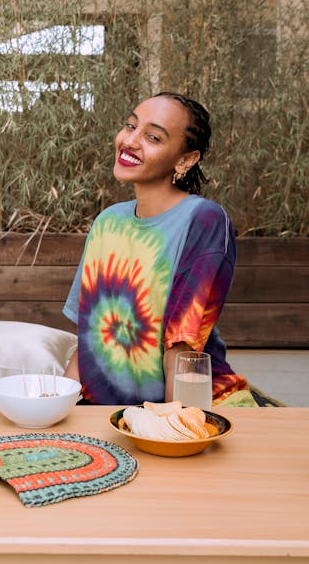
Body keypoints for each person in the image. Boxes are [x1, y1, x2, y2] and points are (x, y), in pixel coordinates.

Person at [63, 91, 256, 406]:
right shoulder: (107, 221)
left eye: (152, 137)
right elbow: (89, 339)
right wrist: (59, 408)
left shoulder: (204, 220)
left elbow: (182, 348)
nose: (130, 141)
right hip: (109, 410)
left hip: (194, 406)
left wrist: (169, 432)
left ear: (185, 160)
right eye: (130, 126)